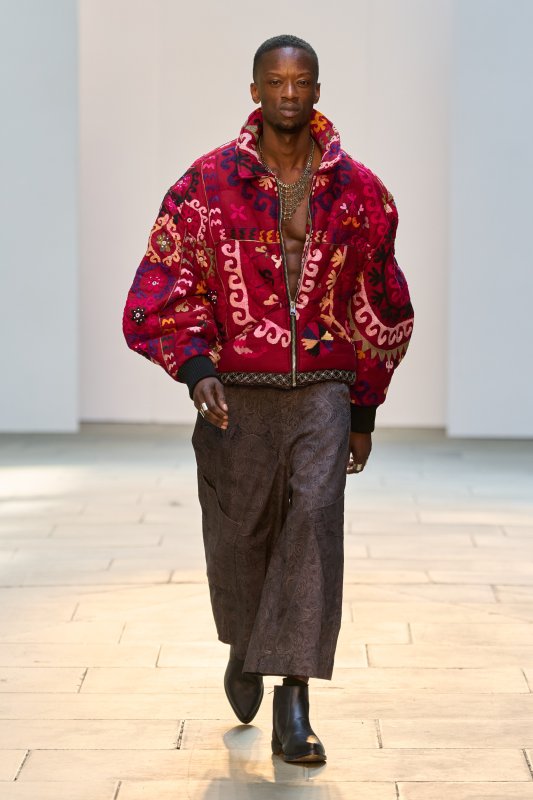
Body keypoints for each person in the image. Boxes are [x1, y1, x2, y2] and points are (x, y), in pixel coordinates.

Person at [122, 34, 414, 763]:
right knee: (240, 535)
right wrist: (196, 368)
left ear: (317, 90)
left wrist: (362, 411)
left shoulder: (359, 191)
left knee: (313, 525)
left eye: (302, 81)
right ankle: (246, 645)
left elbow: (381, 300)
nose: (289, 94)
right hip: (236, 393)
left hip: (322, 388)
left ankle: (294, 699)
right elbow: (165, 280)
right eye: (276, 82)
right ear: (254, 91)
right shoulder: (206, 182)